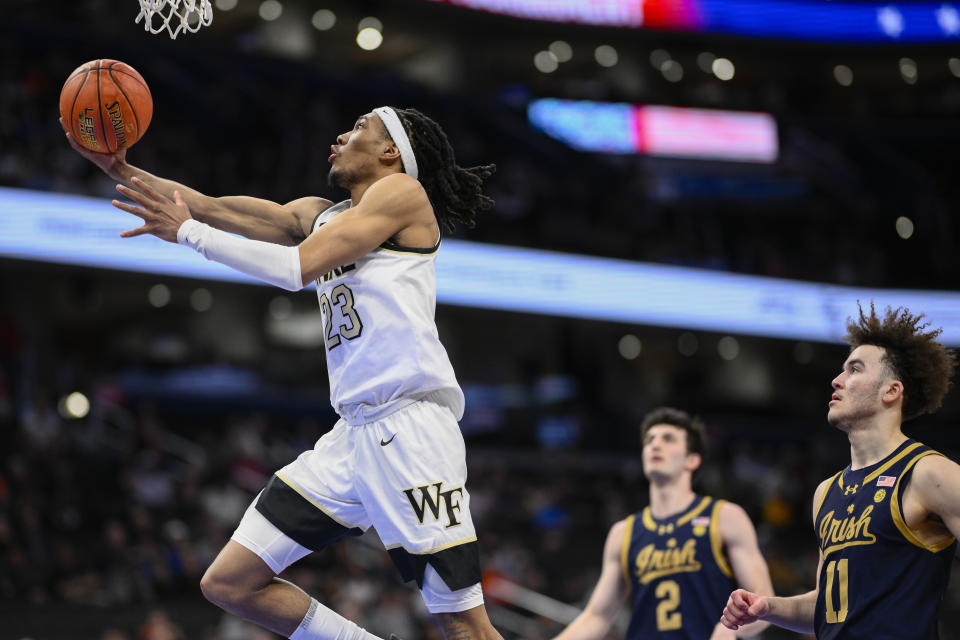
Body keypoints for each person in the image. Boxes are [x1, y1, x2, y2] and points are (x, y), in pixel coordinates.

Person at [62, 107, 501, 640]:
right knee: (230, 583)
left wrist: (190, 236)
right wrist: (117, 168)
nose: (342, 133)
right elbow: (204, 206)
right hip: (352, 436)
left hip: (410, 428)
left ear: (391, 152)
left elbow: (296, 269)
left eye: (361, 127)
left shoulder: (402, 194)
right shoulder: (320, 214)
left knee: (464, 626)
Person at [721, 303, 959, 639]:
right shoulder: (826, 492)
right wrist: (767, 607)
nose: (837, 380)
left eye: (855, 369)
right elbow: (826, 606)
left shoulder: (928, 472)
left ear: (891, 390)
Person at [553, 407, 773, 640]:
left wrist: (727, 630)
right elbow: (596, 617)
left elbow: (762, 599)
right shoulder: (623, 532)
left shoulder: (725, 517)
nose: (655, 445)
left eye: (668, 439)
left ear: (692, 460)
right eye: (649, 440)